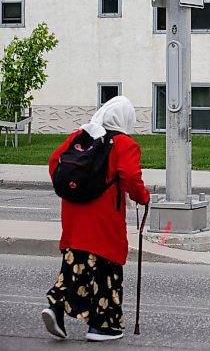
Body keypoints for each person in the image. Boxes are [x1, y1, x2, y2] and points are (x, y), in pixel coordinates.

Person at [41, 96, 150, 342]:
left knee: (76, 261)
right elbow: (131, 177)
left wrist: (74, 190)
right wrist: (143, 197)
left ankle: (56, 307)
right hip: (103, 216)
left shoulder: (79, 136)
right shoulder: (123, 143)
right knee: (105, 266)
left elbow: (54, 162)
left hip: (73, 212)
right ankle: (102, 326)